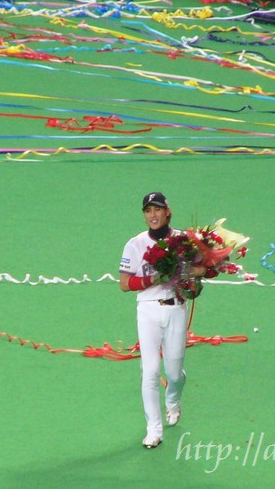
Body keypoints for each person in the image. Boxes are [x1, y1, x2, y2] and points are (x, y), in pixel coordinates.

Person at [119, 192, 204, 449]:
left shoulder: (183, 240)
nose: (152, 215)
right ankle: (153, 429)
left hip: (176, 307)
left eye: (157, 209)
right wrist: (154, 279)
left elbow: (204, 269)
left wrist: (185, 272)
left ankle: (174, 401)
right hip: (147, 310)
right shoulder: (134, 244)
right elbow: (125, 284)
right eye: (148, 211)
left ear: (168, 211)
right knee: (150, 371)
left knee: (175, 372)